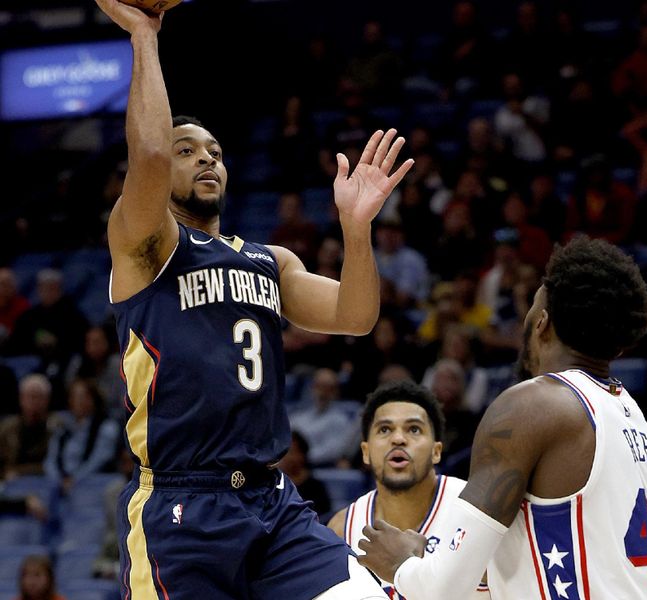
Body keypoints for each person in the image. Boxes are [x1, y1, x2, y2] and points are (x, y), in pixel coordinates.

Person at [95, 1, 412, 598]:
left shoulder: (271, 261)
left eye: (214, 151)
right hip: (183, 504)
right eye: (190, 151)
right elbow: (152, 156)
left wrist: (356, 229)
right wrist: (143, 35)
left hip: (271, 500)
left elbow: (356, 315)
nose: (206, 158)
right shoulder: (147, 247)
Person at [359, 236, 647, 599]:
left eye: (532, 305)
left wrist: (402, 562)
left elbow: (442, 589)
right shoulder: (643, 432)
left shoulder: (532, 406)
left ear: (542, 323)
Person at [327, 380, 489, 598]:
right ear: (365, 452)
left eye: (414, 429)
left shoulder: (475, 510)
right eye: (385, 429)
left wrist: (413, 571)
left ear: (436, 451)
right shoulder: (341, 529)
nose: (398, 439)